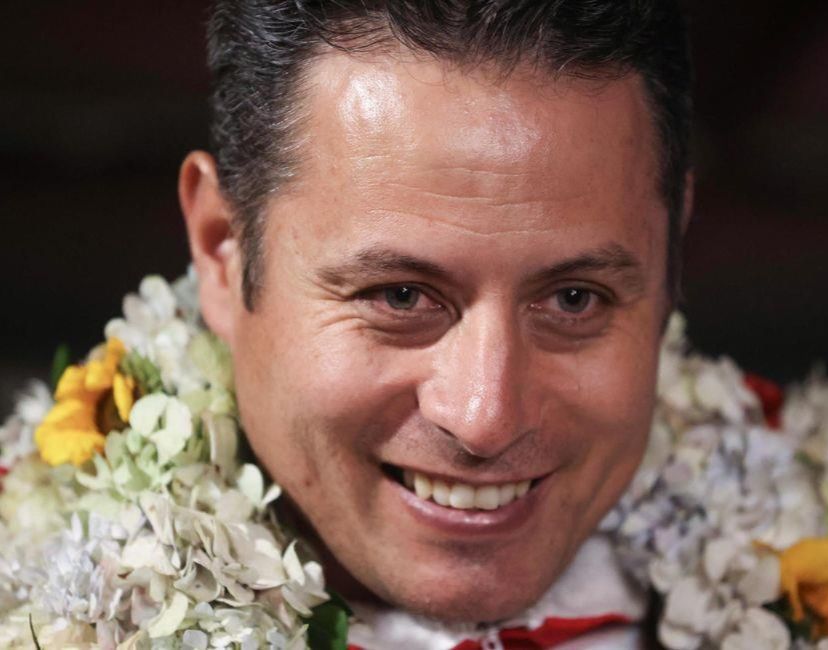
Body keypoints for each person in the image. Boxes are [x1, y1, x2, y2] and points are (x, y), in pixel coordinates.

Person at [178, 0, 691, 647]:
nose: (486, 419)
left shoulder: (815, 581)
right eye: (400, 297)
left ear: (671, 252)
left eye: (572, 300)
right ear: (222, 251)